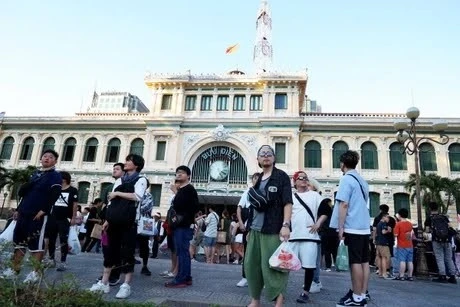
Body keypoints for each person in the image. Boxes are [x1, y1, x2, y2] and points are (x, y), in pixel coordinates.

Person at [90, 154, 148, 299]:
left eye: (129, 161)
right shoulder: (120, 180)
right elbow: (111, 201)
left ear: (136, 165)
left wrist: (118, 193)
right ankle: (104, 282)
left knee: (127, 253)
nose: (126, 162)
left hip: (130, 221)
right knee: (110, 251)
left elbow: (138, 196)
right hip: (114, 220)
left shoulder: (141, 180)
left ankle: (126, 285)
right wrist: (107, 219)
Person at [3, 149, 62, 283]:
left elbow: (55, 194)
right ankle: (14, 270)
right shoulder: (35, 174)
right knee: (19, 242)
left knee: (36, 244)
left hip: (38, 215)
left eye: (50, 157)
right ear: (41, 159)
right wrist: (18, 209)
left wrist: (44, 210)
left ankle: (35, 273)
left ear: (55, 161)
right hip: (24, 212)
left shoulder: (55, 176)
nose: (47, 158)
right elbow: (26, 194)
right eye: (44, 156)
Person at [245, 145, 292, 307]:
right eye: (262, 154)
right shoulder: (258, 179)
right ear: (257, 159)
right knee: (252, 266)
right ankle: (255, 300)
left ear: (274, 158)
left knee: (274, 265)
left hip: (273, 228)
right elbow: (253, 207)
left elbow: (287, 202)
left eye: (269, 154)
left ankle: (279, 301)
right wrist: (249, 228)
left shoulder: (281, 177)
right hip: (255, 229)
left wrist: (286, 224)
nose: (266, 156)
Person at [330, 150, 371, 307]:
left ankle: (356, 297)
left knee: (355, 262)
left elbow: (344, 204)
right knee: (364, 262)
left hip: (352, 226)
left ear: (342, 164)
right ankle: (361, 293)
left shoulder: (346, 179)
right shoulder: (362, 180)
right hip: (363, 227)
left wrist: (340, 227)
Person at [289, 171, 330, 304]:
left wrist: (318, 223)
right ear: (295, 182)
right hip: (292, 236)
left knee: (309, 266)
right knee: (284, 265)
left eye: (305, 178)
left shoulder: (314, 196)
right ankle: (279, 290)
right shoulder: (290, 197)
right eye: (300, 178)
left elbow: (326, 210)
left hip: (310, 236)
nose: (303, 180)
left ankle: (305, 292)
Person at [165, 165, 199, 288]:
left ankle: (181, 279)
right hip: (181, 225)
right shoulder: (184, 190)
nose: (179, 174)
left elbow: (182, 205)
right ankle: (186, 277)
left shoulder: (188, 189)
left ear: (188, 176)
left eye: (182, 173)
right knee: (182, 251)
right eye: (177, 172)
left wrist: (176, 192)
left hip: (183, 225)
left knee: (182, 252)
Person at [44, 171, 78, 271]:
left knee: (63, 240)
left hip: (64, 219)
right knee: (51, 239)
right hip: (52, 217)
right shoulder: (55, 189)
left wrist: (73, 217)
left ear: (64, 179)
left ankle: (63, 261)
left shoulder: (72, 190)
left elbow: (75, 205)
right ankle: (51, 259)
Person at [236, 172, 260, 287]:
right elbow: (239, 208)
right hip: (249, 225)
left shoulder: (264, 192)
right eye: (255, 178)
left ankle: (261, 278)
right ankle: (245, 277)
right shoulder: (248, 192)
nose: (257, 180)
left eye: (258, 178)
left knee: (262, 253)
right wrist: (240, 222)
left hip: (261, 226)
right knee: (247, 252)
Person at [424, 201, 457, 284]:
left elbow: (427, 230)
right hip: (447, 240)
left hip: (437, 240)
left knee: (439, 257)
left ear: (429, 209)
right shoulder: (444, 217)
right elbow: (450, 227)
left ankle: (442, 275)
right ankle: (452, 276)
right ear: (438, 208)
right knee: (449, 258)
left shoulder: (429, 218)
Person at [393, 208, 414, 281]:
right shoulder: (410, 224)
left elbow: (395, 234)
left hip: (401, 245)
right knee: (410, 261)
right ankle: (410, 276)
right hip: (410, 244)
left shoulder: (398, 224)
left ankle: (401, 275)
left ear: (399, 215)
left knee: (402, 260)